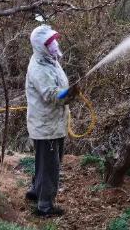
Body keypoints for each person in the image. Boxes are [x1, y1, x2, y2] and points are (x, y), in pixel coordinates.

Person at [24, 25, 78, 217]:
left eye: (54, 40)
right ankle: (45, 206)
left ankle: (36, 191)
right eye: (49, 42)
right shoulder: (39, 67)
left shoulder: (50, 60)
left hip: (53, 123)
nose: (54, 44)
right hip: (46, 126)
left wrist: (69, 91)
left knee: (45, 163)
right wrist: (69, 94)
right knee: (50, 167)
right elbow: (51, 94)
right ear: (40, 46)